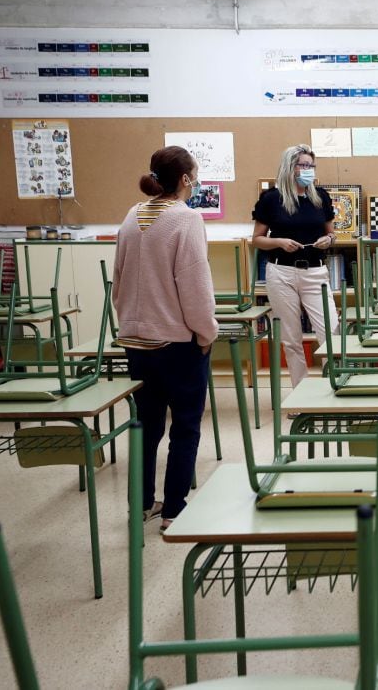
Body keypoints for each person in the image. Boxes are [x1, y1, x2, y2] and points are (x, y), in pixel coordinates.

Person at [113, 146, 219, 532]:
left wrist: (130, 322)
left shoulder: (132, 215)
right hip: (177, 342)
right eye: (195, 174)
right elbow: (195, 287)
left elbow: (118, 280)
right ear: (185, 179)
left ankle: (142, 505)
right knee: (186, 427)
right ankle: (174, 509)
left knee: (147, 426)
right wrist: (206, 333)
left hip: (136, 340)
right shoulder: (186, 219)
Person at [252, 144, 340, 389]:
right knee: (291, 339)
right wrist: (279, 241)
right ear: (290, 167)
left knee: (330, 333)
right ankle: (300, 393)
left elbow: (332, 235)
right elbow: (257, 239)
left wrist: (328, 240)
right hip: (282, 273)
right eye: (304, 165)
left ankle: (332, 389)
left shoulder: (320, 196)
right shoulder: (271, 199)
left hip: (315, 272)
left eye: (311, 166)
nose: (309, 170)